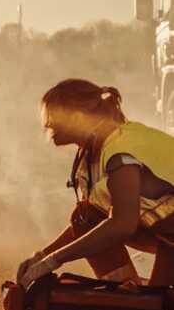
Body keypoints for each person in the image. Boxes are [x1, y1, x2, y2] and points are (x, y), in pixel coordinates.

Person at [17, 79, 174, 287]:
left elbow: (121, 225)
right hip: (168, 236)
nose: (48, 123)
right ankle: (125, 292)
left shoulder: (121, 150)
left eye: (54, 114)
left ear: (78, 117)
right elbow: (89, 220)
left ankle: (140, 304)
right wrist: (43, 256)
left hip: (169, 239)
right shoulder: (94, 149)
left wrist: (54, 260)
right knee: (85, 217)